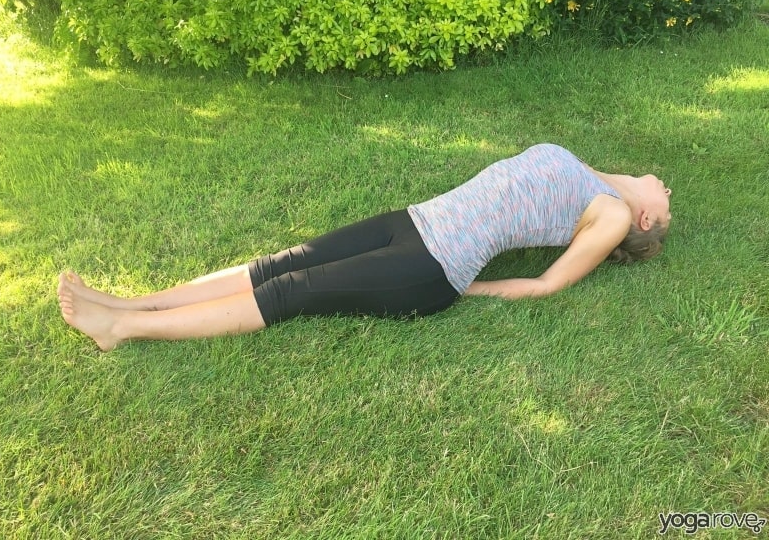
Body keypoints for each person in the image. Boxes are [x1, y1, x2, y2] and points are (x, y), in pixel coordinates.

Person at [58, 143, 672, 351]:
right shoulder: (605, 182)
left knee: (289, 292)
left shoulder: (616, 214)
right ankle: (135, 303)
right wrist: (639, 185)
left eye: (665, 203)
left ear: (644, 219)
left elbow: (549, 284)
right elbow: (616, 183)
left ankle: (124, 330)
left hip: (431, 267)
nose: (668, 187)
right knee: (283, 262)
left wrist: (467, 290)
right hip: (414, 220)